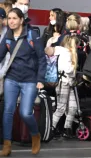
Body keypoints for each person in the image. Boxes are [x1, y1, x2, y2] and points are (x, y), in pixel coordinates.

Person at [0, 8, 46, 156]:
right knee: (8, 111)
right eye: (9, 18)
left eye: (14, 18)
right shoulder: (7, 36)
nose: (11, 21)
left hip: (30, 80)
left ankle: (35, 135)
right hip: (12, 78)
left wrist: (40, 79)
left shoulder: (32, 35)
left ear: (21, 20)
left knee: (25, 113)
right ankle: (7, 145)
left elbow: (42, 59)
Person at [50, 36, 78, 139]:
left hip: (67, 83)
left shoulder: (61, 51)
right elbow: (68, 69)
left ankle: (67, 128)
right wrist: (74, 67)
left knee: (72, 107)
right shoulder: (66, 53)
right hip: (64, 82)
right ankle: (51, 128)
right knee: (61, 108)